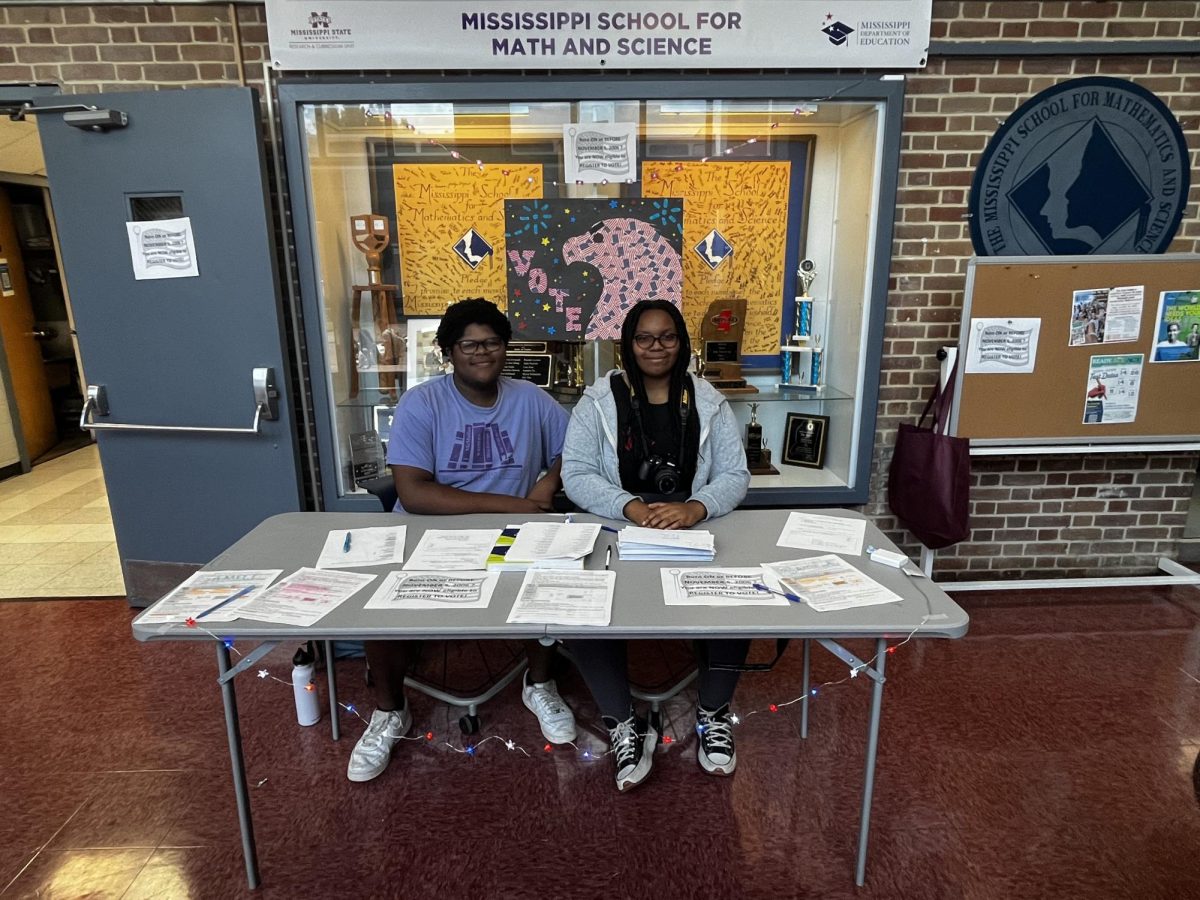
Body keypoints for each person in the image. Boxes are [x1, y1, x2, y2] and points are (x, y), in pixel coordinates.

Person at [348, 298, 576, 782]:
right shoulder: (422, 403)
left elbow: (573, 451)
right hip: (430, 533)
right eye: (469, 344)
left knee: (552, 573)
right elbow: (414, 492)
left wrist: (546, 484)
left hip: (511, 535)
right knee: (376, 599)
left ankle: (539, 683)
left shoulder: (532, 400)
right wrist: (518, 504)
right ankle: (390, 711)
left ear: (505, 348)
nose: (482, 353)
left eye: (492, 343)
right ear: (449, 351)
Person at [561, 299, 751, 792]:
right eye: (644, 338)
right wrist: (629, 507)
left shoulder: (708, 401)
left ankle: (712, 714)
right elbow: (576, 474)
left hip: (692, 527)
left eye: (667, 337)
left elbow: (735, 474)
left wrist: (697, 507)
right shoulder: (598, 400)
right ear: (628, 345)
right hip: (617, 524)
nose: (656, 347)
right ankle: (623, 723)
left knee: (737, 601)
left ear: (682, 343)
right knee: (582, 611)